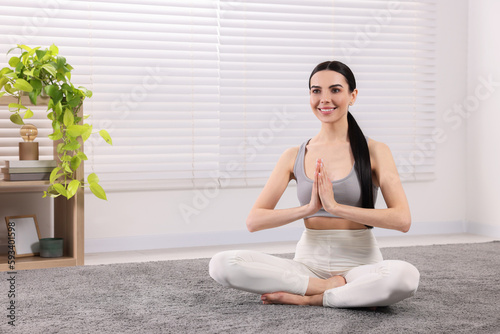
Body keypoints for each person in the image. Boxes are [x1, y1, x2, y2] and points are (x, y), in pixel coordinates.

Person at [209, 60, 420, 308]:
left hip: (361, 265)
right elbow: (254, 221)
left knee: (405, 277)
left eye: (335, 90)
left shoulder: (376, 151)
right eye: (316, 90)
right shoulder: (294, 155)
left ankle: (313, 299)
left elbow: (402, 220)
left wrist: (336, 207)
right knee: (222, 264)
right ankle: (327, 289)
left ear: (353, 96)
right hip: (306, 267)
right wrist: (308, 209)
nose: (324, 99)